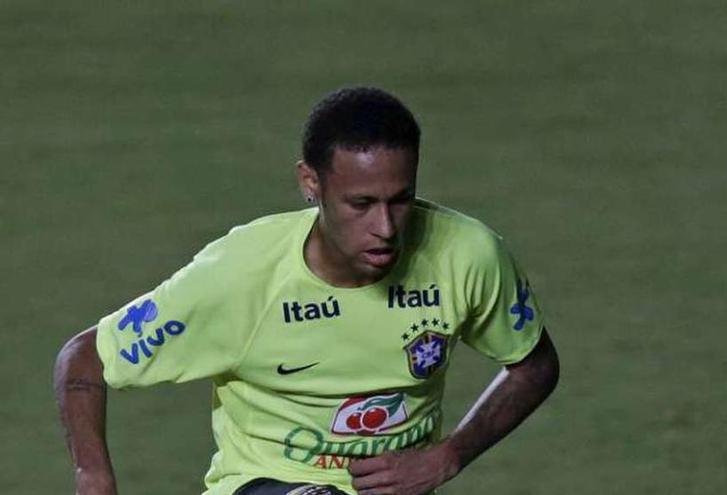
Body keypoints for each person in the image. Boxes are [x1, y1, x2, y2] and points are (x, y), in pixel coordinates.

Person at [54, 87, 560, 495]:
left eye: (400, 200)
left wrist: (449, 455)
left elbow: (533, 364)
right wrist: (93, 477)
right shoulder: (242, 274)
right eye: (360, 203)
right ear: (310, 184)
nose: (385, 227)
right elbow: (83, 359)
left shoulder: (466, 254)